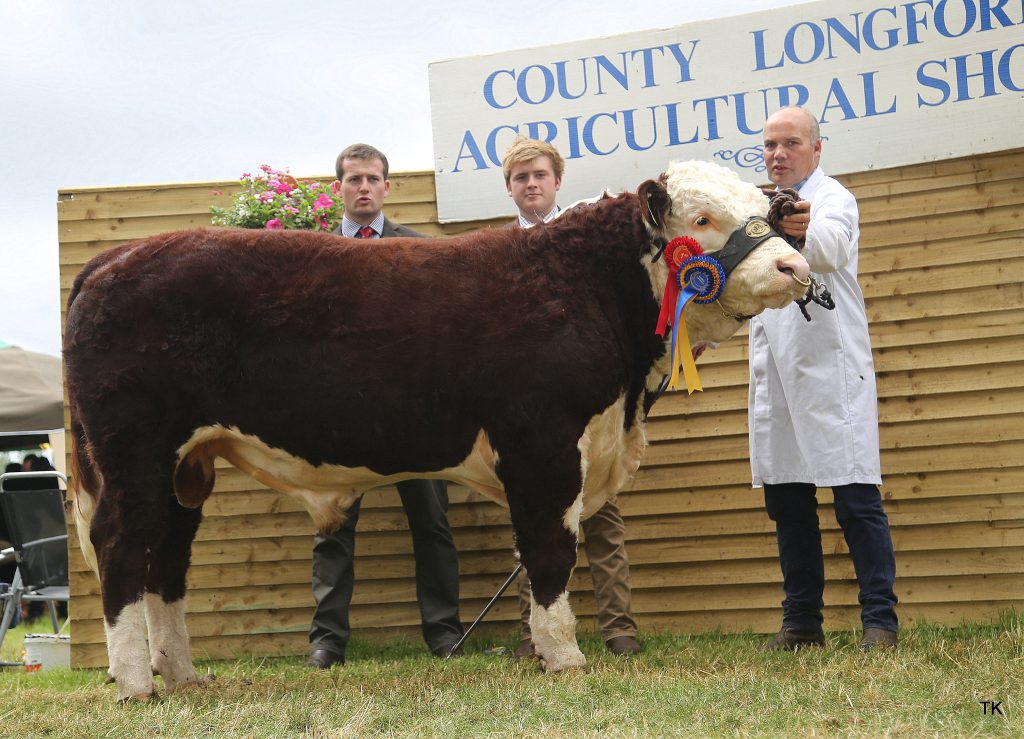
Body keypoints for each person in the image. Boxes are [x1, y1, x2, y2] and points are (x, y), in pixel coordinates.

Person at [305, 143, 464, 669]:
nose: (364, 187)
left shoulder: (423, 252)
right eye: (354, 179)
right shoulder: (315, 256)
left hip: (415, 417)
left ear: (387, 187)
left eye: (373, 178)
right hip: (341, 419)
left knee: (433, 525)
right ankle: (327, 641)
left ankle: (444, 634)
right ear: (339, 189)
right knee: (333, 527)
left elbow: (444, 335)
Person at [749, 107, 898, 651]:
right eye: (769, 145)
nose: (778, 154)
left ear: (816, 149)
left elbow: (831, 247)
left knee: (855, 498)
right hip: (778, 373)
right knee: (787, 502)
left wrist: (801, 227)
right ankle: (802, 623)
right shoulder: (754, 210)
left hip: (829, 365)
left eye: (790, 143)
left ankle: (880, 622)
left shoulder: (834, 199)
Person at [500, 136, 641, 658]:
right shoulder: (499, 254)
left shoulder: (587, 239)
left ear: (557, 181)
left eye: (539, 175)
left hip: (589, 403)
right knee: (531, 516)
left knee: (601, 514)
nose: (531, 184)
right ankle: (532, 635)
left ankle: (619, 629)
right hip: (527, 410)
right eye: (520, 178)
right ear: (509, 189)